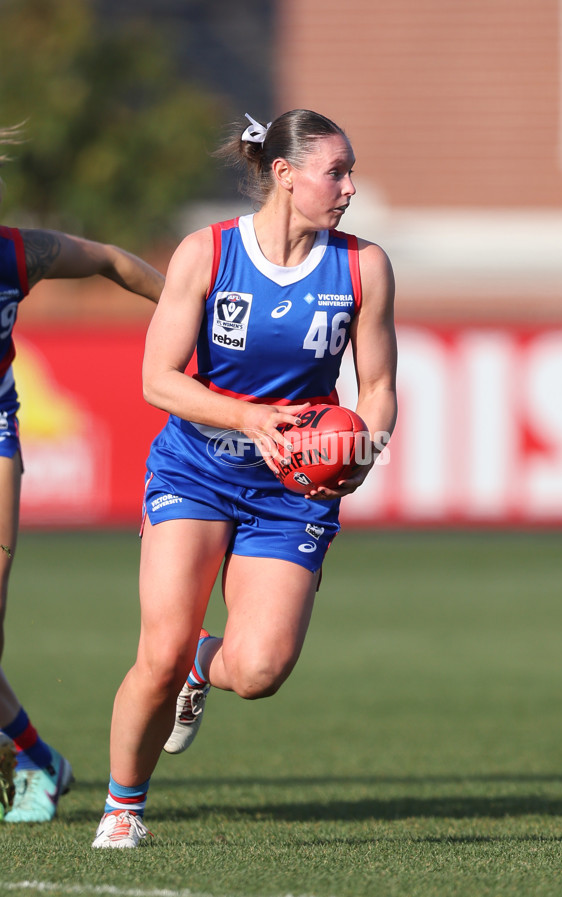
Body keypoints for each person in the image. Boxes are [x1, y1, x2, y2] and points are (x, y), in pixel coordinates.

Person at [91, 109, 398, 849]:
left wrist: (365, 450)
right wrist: (246, 418)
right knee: (159, 654)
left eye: (351, 172)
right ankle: (123, 808)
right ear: (285, 175)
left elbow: (380, 386)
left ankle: (208, 660)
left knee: (259, 670)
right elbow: (158, 379)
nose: (350, 187)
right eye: (336, 172)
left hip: (291, 492)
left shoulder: (364, 265)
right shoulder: (207, 252)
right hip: (196, 468)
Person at [0, 126, 165, 823]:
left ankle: (35, 761)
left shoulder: (15, 252)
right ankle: (38, 759)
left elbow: (109, 260)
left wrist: (191, 311)